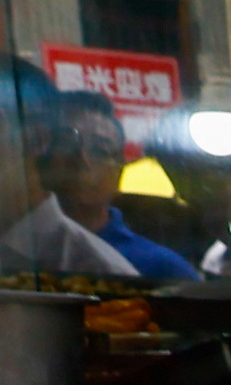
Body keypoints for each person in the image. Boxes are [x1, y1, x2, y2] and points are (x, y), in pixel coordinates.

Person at [0, 86, 198, 283]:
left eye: (100, 151)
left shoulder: (160, 267)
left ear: (119, 171)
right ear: (39, 150)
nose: (82, 160)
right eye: (66, 143)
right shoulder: (16, 244)